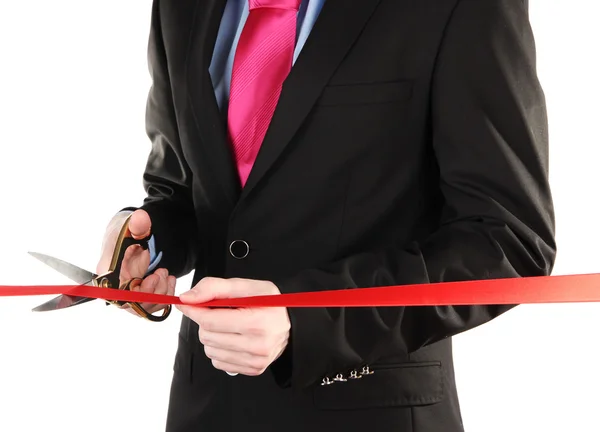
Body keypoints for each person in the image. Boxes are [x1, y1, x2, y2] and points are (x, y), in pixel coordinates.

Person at [96, 0, 555, 430]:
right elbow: (182, 186)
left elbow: (507, 240)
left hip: (368, 410)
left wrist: (307, 319)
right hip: (206, 406)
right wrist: (151, 242)